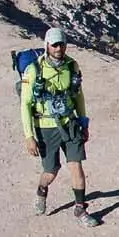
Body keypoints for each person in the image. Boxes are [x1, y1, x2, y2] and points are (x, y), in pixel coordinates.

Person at [21, 27, 98, 226]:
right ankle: (42, 191)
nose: (58, 48)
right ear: (47, 45)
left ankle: (80, 209)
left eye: (62, 44)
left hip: (70, 123)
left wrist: (83, 122)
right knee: (51, 171)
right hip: (46, 127)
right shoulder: (34, 70)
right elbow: (25, 104)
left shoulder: (72, 66)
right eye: (54, 44)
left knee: (76, 166)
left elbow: (78, 96)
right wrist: (29, 136)